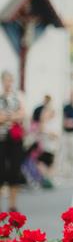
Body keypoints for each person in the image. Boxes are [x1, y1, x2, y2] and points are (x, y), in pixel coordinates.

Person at [0, 71, 25, 211]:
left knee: (15, 170)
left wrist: (7, 116)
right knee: (1, 171)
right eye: (6, 80)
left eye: (11, 80)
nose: (8, 83)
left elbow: (22, 114)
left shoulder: (18, 96)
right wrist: (13, 116)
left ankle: (12, 205)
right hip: (1, 139)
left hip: (15, 138)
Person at [58, 91, 73, 179]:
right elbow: (65, 121)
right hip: (66, 133)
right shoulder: (66, 107)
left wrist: (72, 122)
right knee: (64, 154)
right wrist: (69, 122)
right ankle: (63, 173)